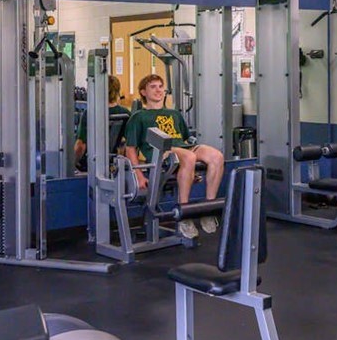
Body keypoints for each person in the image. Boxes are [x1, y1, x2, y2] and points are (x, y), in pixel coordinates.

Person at [124, 74, 225, 239]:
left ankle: (208, 208)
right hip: (161, 153)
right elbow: (130, 149)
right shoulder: (138, 117)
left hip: (183, 149)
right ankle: (183, 215)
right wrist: (138, 175)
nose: (158, 90)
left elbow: (185, 139)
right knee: (189, 157)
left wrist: (190, 171)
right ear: (143, 92)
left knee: (217, 156)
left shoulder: (174, 114)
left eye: (160, 86)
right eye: (153, 87)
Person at [74, 75, 130, 171]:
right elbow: (130, 144)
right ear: (117, 91)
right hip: (113, 162)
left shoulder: (89, 112)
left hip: (89, 163)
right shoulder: (126, 113)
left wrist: (72, 165)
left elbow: (81, 146)